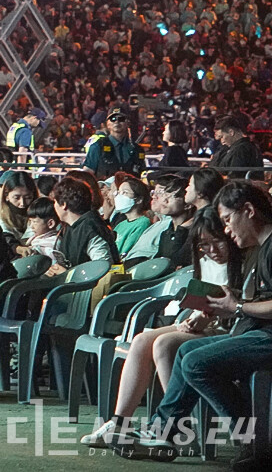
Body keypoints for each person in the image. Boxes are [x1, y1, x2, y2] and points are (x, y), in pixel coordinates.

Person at [113, 182, 272, 469]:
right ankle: (162, 432)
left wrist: (236, 307)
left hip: (266, 336)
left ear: (248, 211)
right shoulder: (260, 249)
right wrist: (234, 301)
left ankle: (253, 442)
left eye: (226, 220)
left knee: (197, 361)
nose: (226, 230)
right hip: (256, 331)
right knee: (189, 353)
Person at [82, 207, 241, 448]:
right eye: (203, 245)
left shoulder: (243, 259)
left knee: (164, 344)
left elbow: (236, 304)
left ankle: (178, 426)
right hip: (203, 322)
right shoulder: (204, 258)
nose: (211, 251)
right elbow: (204, 296)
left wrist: (206, 316)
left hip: (228, 328)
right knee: (140, 341)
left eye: (217, 242)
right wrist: (193, 317)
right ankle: (120, 422)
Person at [83, 107, 145, 179]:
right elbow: (87, 174)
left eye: (121, 119)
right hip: (104, 189)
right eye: (113, 119)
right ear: (108, 124)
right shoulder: (98, 146)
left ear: (128, 123)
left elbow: (142, 174)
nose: (117, 122)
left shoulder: (137, 150)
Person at [208, 114, 262, 179]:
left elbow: (234, 178)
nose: (222, 141)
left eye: (222, 137)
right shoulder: (240, 148)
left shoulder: (241, 150)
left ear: (231, 132)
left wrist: (214, 177)